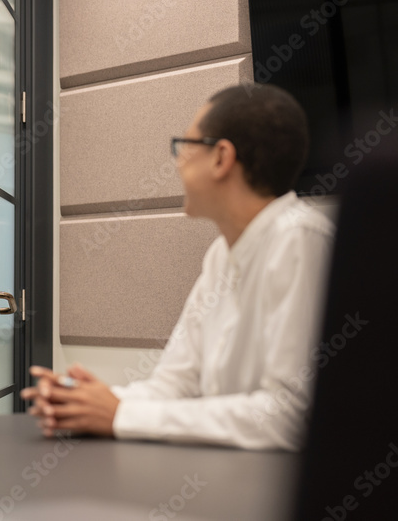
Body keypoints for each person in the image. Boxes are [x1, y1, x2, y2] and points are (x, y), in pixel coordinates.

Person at [23, 84, 335, 450]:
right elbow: (172, 386)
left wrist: (120, 414)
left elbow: (290, 416)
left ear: (221, 158)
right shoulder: (221, 255)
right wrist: (84, 401)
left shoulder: (301, 239)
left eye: (184, 147)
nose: (177, 162)